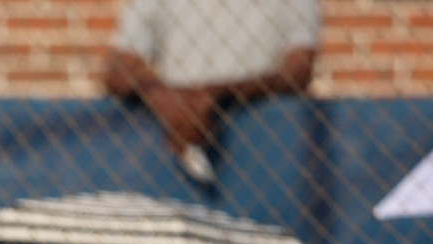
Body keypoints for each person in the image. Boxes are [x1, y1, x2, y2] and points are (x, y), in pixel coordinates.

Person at [102, 0, 320, 187]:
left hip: (268, 153)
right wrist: (161, 96)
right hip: (179, 145)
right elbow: (117, 68)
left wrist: (215, 95)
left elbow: (299, 69)